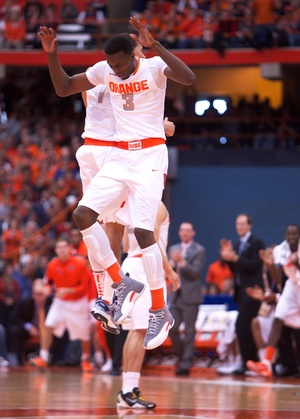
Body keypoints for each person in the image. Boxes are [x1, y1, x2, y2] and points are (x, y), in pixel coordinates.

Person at [37, 17, 196, 351]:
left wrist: (156, 45)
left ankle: (159, 310)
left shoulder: (153, 67)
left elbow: (189, 77)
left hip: (151, 156)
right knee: (82, 216)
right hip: (120, 156)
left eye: (121, 64)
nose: (116, 70)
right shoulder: (105, 70)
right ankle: (121, 284)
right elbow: (65, 87)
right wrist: (52, 54)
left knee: (141, 232)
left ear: (134, 57)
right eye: (112, 65)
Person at [118, 201, 180, 408]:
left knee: (135, 331)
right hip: (145, 267)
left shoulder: (131, 205)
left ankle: (128, 389)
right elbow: (149, 242)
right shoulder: (156, 205)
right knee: (141, 330)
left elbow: (126, 246)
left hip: (130, 264)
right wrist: (170, 272)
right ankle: (128, 390)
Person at [30, 236, 94, 372]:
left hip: (78, 302)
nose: (61, 250)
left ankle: (86, 359)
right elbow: (48, 284)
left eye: (64, 247)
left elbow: (84, 287)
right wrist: (45, 290)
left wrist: (68, 290)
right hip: (60, 302)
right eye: (59, 248)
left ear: (70, 248)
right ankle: (44, 357)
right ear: (55, 250)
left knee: (84, 334)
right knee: (48, 325)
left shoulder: (81, 264)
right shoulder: (51, 265)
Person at [246, 224, 300, 378]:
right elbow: (277, 280)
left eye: (295, 234)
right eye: (288, 233)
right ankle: (267, 362)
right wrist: (270, 266)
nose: (291, 237)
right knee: (278, 317)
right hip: (292, 285)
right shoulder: (280, 250)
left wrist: (298, 265)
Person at [220, 213, 265, 375]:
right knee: (242, 328)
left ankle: (250, 362)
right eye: (237, 224)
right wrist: (228, 258)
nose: (239, 227)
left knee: (243, 327)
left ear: (249, 225)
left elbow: (255, 266)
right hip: (241, 293)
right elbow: (236, 269)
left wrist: (236, 258)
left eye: (242, 224)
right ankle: (248, 363)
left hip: (253, 292)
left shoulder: (256, 242)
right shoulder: (239, 244)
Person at [168, 221, 206, 376]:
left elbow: (196, 273)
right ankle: (183, 355)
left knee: (189, 332)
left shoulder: (199, 250)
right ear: (179, 232)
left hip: (191, 296)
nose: (184, 233)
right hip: (175, 295)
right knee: (172, 328)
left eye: (188, 230)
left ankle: (185, 362)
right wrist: (171, 262)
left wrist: (182, 263)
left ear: (193, 233)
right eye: (182, 230)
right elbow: (167, 271)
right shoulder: (173, 249)